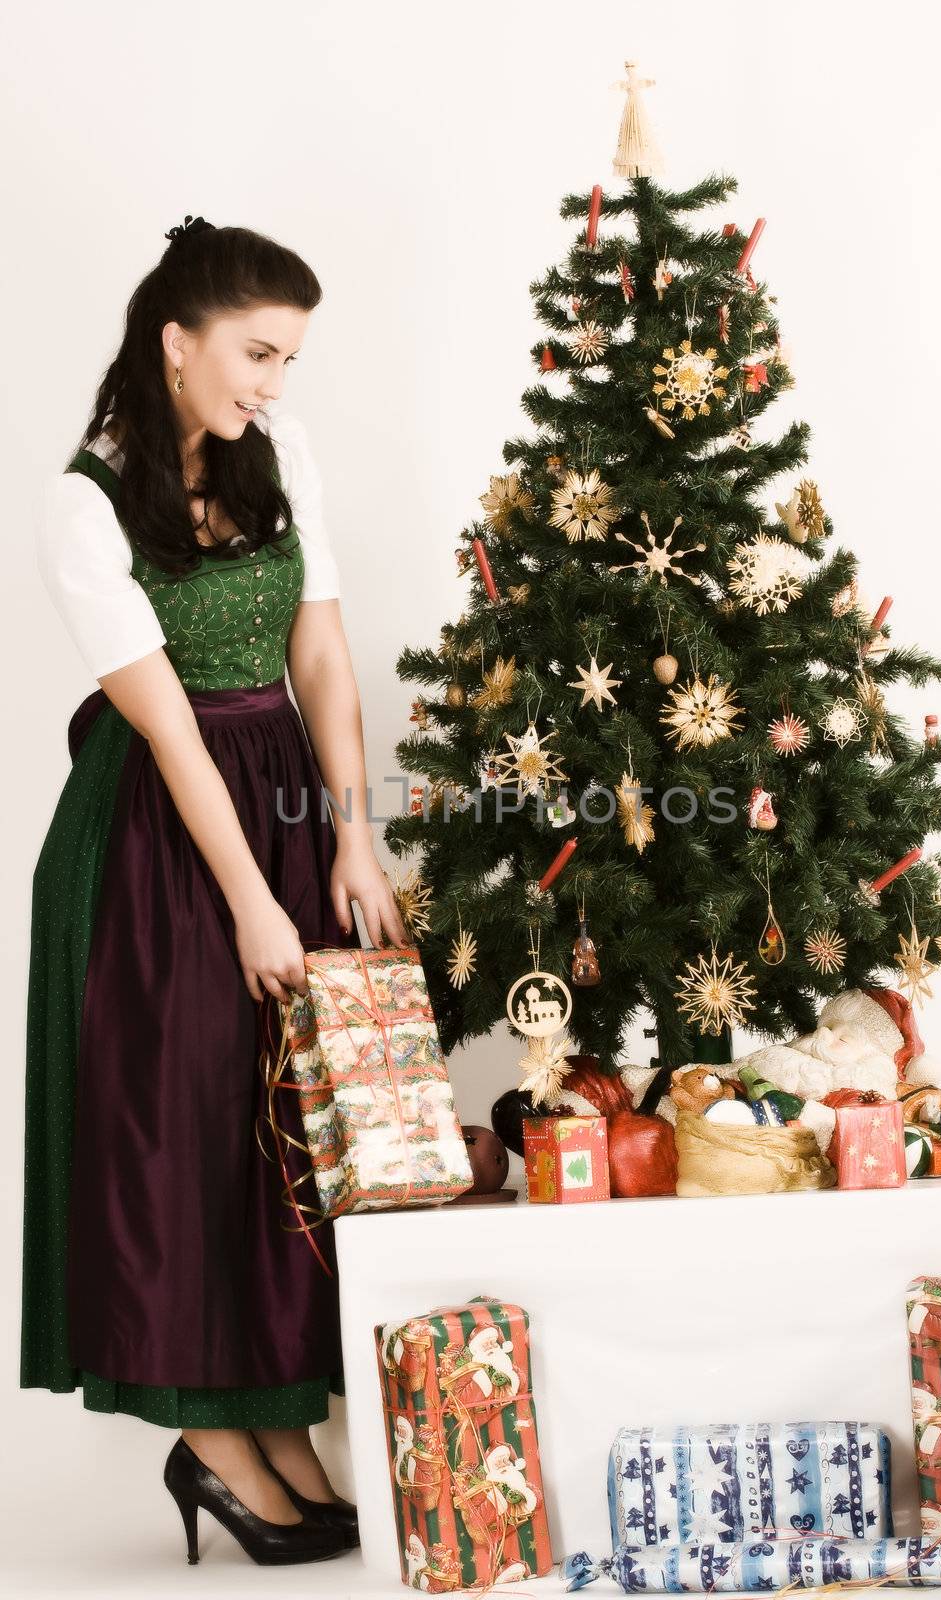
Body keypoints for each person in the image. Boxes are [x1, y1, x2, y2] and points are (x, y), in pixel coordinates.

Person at [20, 213, 408, 1566]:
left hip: (284, 796)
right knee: (182, 1117)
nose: (272, 385)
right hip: (157, 830)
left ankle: (274, 1425)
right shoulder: (87, 502)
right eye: (256, 354)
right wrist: (251, 897)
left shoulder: (275, 454)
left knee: (280, 1125)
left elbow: (324, 661)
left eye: (287, 359)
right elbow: (171, 726)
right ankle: (210, 1439)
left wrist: (352, 838)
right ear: (176, 343)